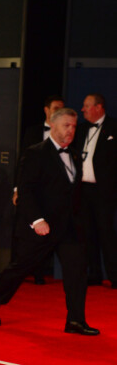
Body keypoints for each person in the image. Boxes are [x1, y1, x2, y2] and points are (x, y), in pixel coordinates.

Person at [0, 108, 99, 336]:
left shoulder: (74, 154)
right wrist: (37, 220)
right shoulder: (35, 153)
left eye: (74, 127)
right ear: (53, 126)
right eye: (66, 125)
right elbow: (26, 190)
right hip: (42, 226)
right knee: (21, 267)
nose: (71, 131)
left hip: (69, 227)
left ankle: (75, 320)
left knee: (77, 272)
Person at [13, 95, 65, 284]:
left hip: (53, 192)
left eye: (61, 108)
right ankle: (25, 269)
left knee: (51, 230)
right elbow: (23, 163)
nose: (58, 112)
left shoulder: (67, 134)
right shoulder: (33, 132)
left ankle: (42, 270)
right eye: (55, 108)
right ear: (46, 110)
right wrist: (17, 188)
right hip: (32, 189)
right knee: (29, 228)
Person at [75, 93, 117, 287]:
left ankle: (114, 275)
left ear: (99, 107)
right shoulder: (81, 129)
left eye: (86, 106)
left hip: (104, 191)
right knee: (87, 233)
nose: (82, 109)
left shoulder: (114, 127)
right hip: (83, 190)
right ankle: (94, 273)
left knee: (106, 233)